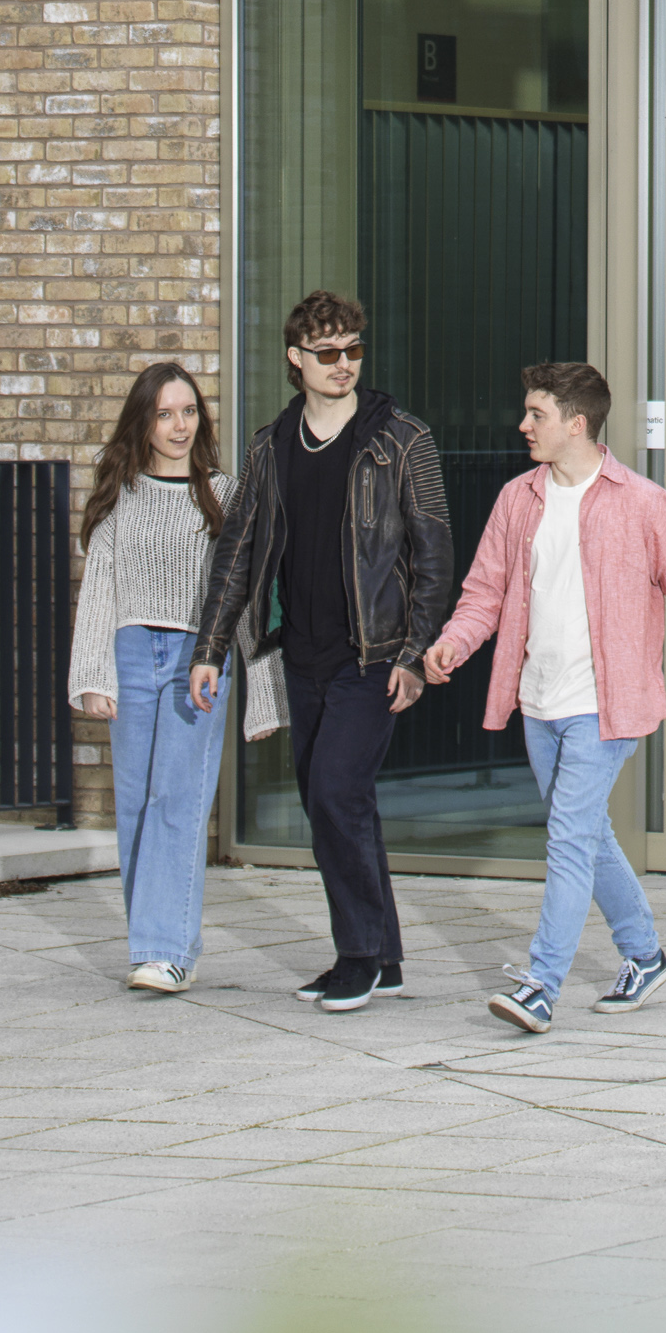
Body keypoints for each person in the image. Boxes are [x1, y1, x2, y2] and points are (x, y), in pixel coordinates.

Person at [419, 360, 666, 1033]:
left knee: (568, 836)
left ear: (577, 422)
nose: (523, 424)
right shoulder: (520, 498)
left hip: (607, 702)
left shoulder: (641, 502)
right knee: (588, 835)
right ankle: (644, 953)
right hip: (539, 700)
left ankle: (543, 984)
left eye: (536, 413)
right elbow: (485, 590)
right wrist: (455, 640)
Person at [186, 286, 457, 1015]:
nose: (345, 364)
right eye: (329, 352)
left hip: (372, 654)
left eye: (354, 349)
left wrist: (415, 653)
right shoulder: (270, 446)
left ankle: (358, 956)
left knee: (336, 792)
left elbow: (434, 555)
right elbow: (237, 553)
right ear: (295, 359)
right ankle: (388, 955)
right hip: (299, 654)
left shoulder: (403, 439)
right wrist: (211, 646)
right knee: (333, 799)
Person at [64, 363, 269, 995]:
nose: (179, 426)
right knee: (138, 804)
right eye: (164, 414)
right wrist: (94, 673)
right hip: (131, 653)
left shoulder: (227, 494)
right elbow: (100, 588)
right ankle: (159, 944)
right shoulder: (119, 494)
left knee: (179, 798)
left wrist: (261, 689)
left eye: (188, 413)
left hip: (196, 659)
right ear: (144, 422)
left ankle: (163, 949)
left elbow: (243, 595)